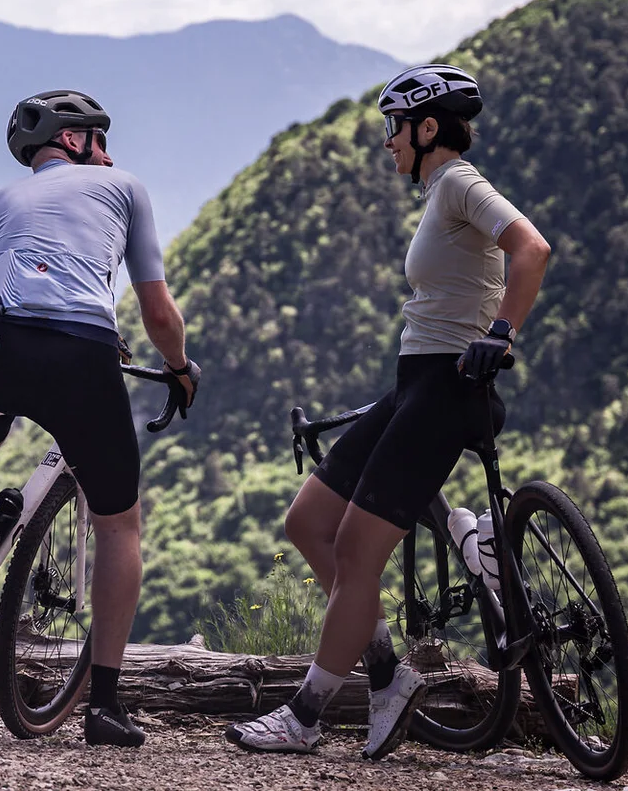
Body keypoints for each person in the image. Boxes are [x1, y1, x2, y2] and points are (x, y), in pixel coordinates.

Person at [225, 65, 552, 757]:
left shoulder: (460, 182)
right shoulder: (438, 192)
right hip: (415, 385)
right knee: (310, 522)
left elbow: (532, 248)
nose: (386, 143)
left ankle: (304, 718)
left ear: (427, 128)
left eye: (392, 128)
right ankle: (385, 677)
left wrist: (502, 334)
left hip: (449, 389)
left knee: (355, 552)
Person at [0, 90, 201, 747]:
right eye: (100, 136)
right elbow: (157, 312)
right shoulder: (124, 187)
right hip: (78, 350)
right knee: (119, 521)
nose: (110, 151)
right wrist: (179, 367)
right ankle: (105, 703)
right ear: (73, 140)